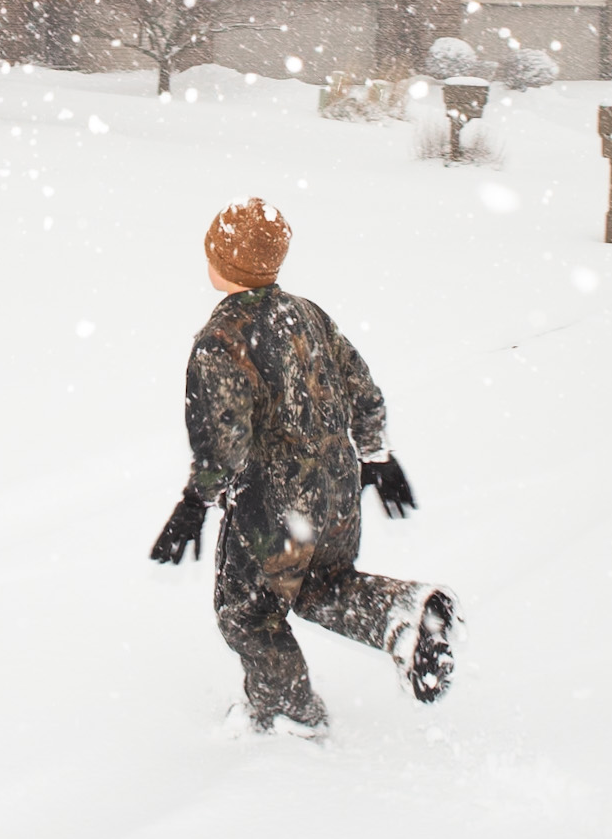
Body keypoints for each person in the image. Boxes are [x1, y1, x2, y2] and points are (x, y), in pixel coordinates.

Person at [148, 197, 456, 738]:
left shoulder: (219, 341)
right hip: (337, 490)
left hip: (273, 506)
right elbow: (362, 385)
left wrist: (196, 501)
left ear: (220, 261)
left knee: (247, 611)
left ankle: (289, 717)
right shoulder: (307, 313)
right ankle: (403, 614)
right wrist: (375, 455)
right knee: (322, 585)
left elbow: (226, 440)